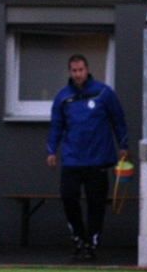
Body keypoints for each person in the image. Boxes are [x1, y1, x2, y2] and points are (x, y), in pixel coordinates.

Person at [47, 53, 129, 261]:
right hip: (73, 158)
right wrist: (51, 150)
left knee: (96, 203)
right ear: (69, 72)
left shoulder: (103, 93)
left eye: (81, 70)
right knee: (68, 196)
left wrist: (123, 146)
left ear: (87, 70)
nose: (78, 74)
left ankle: (92, 241)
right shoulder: (63, 97)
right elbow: (56, 125)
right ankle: (78, 235)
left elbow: (118, 120)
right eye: (74, 71)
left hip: (98, 158)